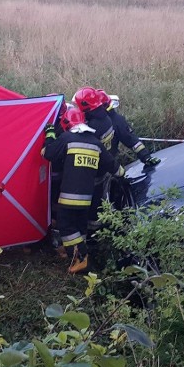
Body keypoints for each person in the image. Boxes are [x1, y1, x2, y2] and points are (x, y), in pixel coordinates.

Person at [42, 105, 123, 274]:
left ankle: (82, 258)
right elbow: (114, 168)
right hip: (87, 197)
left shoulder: (66, 138)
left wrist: (49, 134)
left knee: (66, 227)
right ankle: (76, 251)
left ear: (66, 123)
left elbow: (48, 153)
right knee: (79, 226)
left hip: (68, 196)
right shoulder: (96, 143)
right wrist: (124, 175)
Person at [97, 89, 160, 167]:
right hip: (104, 169)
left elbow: (131, 140)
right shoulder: (116, 120)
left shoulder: (84, 124)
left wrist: (146, 157)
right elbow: (131, 140)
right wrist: (146, 157)